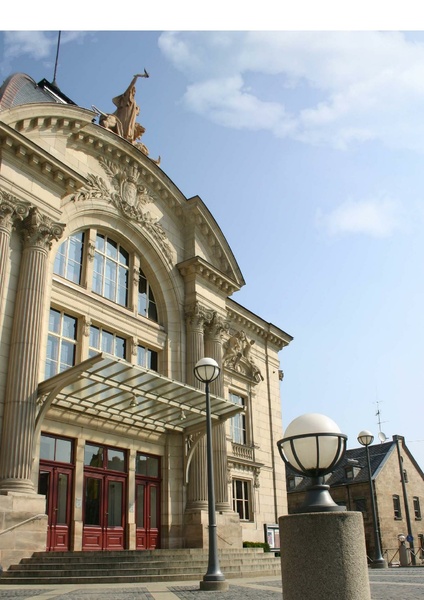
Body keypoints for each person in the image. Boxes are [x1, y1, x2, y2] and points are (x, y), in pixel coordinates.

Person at [112, 73, 148, 143]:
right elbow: (131, 85)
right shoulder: (126, 98)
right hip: (124, 115)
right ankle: (122, 134)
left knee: (129, 128)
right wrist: (137, 76)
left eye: (134, 91)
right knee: (123, 126)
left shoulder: (133, 101)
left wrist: (137, 110)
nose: (133, 92)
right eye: (133, 90)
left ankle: (127, 136)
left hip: (130, 119)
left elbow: (137, 113)